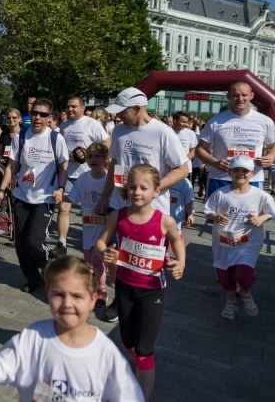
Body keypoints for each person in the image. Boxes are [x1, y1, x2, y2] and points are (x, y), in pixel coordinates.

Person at [0, 256, 144, 401]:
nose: (67, 303)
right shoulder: (35, 337)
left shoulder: (105, 353)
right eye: (58, 294)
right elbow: (6, 365)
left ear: (93, 300)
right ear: (48, 295)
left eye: (77, 296)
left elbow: (129, 396)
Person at [94, 87, 188, 324]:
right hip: (120, 205)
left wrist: (155, 189)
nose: (118, 116)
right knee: (113, 256)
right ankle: (120, 295)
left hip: (152, 211)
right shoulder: (119, 131)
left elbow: (183, 168)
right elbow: (114, 165)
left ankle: (147, 300)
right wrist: (105, 197)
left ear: (138, 108)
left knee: (145, 261)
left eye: (122, 111)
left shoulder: (163, 133)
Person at [96, 164, 185, 400]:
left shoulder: (164, 221)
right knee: (127, 343)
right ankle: (138, 370)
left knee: (144, 349)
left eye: (144, 188)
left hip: (152, 292)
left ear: (156, 191)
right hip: (124, 287)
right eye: (132, 186)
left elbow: (177, 241)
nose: (137, 191)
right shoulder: (118, 215)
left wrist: (181, 262)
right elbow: (100, 242)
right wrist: (105, 252)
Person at [0, 98, 69, 293]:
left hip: (44, 198)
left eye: (43, 114)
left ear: (49, 117)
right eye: (35, 113)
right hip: (21, 195)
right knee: (20, 243)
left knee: (34, 241)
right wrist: (2, 189)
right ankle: (33, 279)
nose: (38, 117)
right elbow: (12, 166)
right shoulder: (20, 137)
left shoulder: (56, 138)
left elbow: (63, 166)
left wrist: (60, 188)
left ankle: (51, 268)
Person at [204, 155, 275, 320]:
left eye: (245, 170)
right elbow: (208, 209)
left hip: (248, 242)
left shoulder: (260, 195)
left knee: (243, 275)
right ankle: (231, 303)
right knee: (225, 276)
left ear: (252, 173)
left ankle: (246, 293)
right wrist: (216, 217)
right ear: (229, 172)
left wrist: (260, 219)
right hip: (223, 241)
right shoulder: (220, 194)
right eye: (236, 170)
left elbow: (273, 212)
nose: (241, 174)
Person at [195, 82, 275, 198]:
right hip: (220, 178)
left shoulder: (265, 121)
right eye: (235, 95)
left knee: (251, 216)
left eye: (244, 95)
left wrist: (271, 157)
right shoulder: (215, 121)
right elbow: (199, 149)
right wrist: (214, 162)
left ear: (251, 96)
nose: (240, 99)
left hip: (252, 179)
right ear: (228, 96)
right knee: (216, 216)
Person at [55, 96, 110, 258]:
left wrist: (90, 151)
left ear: (83, 108)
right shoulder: (64, 126)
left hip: (89, 175)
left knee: (94, 211)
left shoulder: (92, 124)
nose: (70, 109)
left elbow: (107, 142)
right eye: (68, 106)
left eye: (73, 106)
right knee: (63, 208)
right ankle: (62, 243)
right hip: (68, 173)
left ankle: (97, 243)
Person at [60, 143, 109, 308]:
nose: (93, 160)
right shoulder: (83, 178)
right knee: (89, 258)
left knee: (97, 259)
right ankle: (97, 280)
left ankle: (101, 292)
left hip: (105, 227)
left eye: (97, 156)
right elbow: (73, 197)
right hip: (88, 226)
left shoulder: (110, 180)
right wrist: (60, 197)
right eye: (90, 156)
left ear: (106, 158)